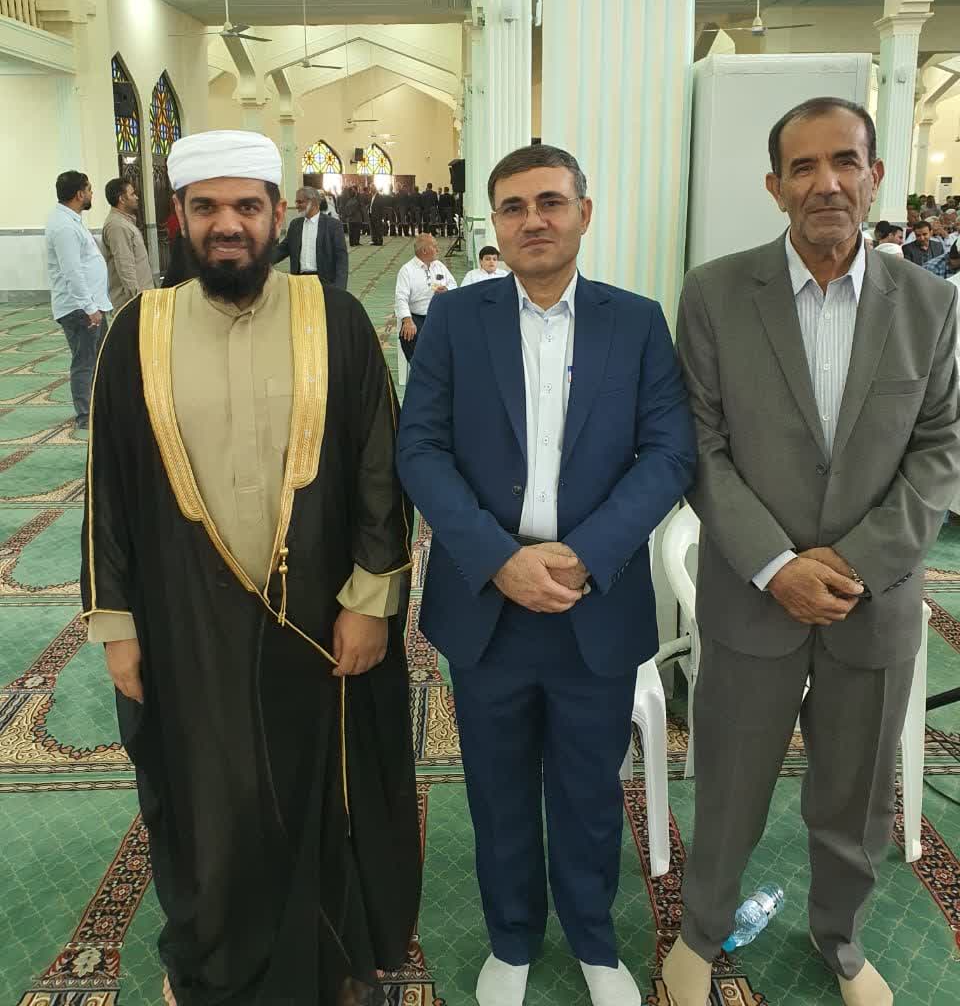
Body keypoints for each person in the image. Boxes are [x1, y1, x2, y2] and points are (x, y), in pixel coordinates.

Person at [80, 130, 420, 1006]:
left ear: (277, 215)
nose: (226, 224)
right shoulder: (138, 333)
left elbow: (377, 466)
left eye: (245, 206)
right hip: (182, 620)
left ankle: (327, 965)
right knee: (211, 800)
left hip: (319, 613)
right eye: (207, 208)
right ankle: (217, 967)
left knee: (321, 792)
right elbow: (108, 490)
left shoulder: (334, 319)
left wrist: (371, 600)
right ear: (179, 218)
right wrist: (117, 627)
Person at [667, 97, 960, 1006]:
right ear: (775, 186)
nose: (826, 182)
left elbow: (940, 447)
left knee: (857, 800)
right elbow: (699, 446)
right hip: (753, 599)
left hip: (875, 606)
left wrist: (857, 563)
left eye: (845, 162)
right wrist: (776, 565)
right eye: (803, 167)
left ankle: (841, 940)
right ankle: (700, 932)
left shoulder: (930, 304)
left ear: (876, 178)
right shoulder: (716, 294)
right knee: (730, 789)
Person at [397, 145, 696, 1006]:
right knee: (496, 789)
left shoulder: (635, 321)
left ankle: (595, 939)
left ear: (583, 214)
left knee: (589, 788)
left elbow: (668, 452)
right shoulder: (456, 320)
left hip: (592, 598)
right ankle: (513, 940)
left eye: (551, 202)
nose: (534, 220)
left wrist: (585, 554)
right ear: (494, 223)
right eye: (514, 206)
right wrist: (500, 560)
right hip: (487, 602)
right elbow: (420, 450)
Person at [44, 170, 111, 431]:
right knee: (84, 363)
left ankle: (99, 409)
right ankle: (85, 416)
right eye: (90, 189)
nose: (92, 193)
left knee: (100, 360)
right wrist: (89, 307)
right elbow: (72, 271)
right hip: (80, 309)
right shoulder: (63, 227)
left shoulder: (71, 221)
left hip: (91, 305)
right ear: (80, 194)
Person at [395, 234, 457, 365]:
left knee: (459, 332)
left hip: (440, 314)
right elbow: (401, 298)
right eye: (434, 246)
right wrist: (407, 320)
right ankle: (420, 369)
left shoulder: (439, 266)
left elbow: (453, 285)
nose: (438, 249)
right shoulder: (407, 270)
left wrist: (447, 289)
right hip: (418, 316)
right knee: (408, 334)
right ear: (424, 250)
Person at [273, 185, 348, 287]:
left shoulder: (333, 225)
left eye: (300, 202)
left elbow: (341, 258)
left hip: (324, 282)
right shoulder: (295, 224)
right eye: (296, 202)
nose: (297, 206)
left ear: (313, 202)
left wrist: (340, 287)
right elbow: (283, 249)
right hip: (299, 282)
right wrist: (260, 262)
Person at [101, 178, 155, 311]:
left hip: (142, 298)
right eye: (132, 194)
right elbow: (125, 265)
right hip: (132, 302)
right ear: (122, 199)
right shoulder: (117, 226)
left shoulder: (125, 222)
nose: (136, 197)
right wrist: (136, 299)